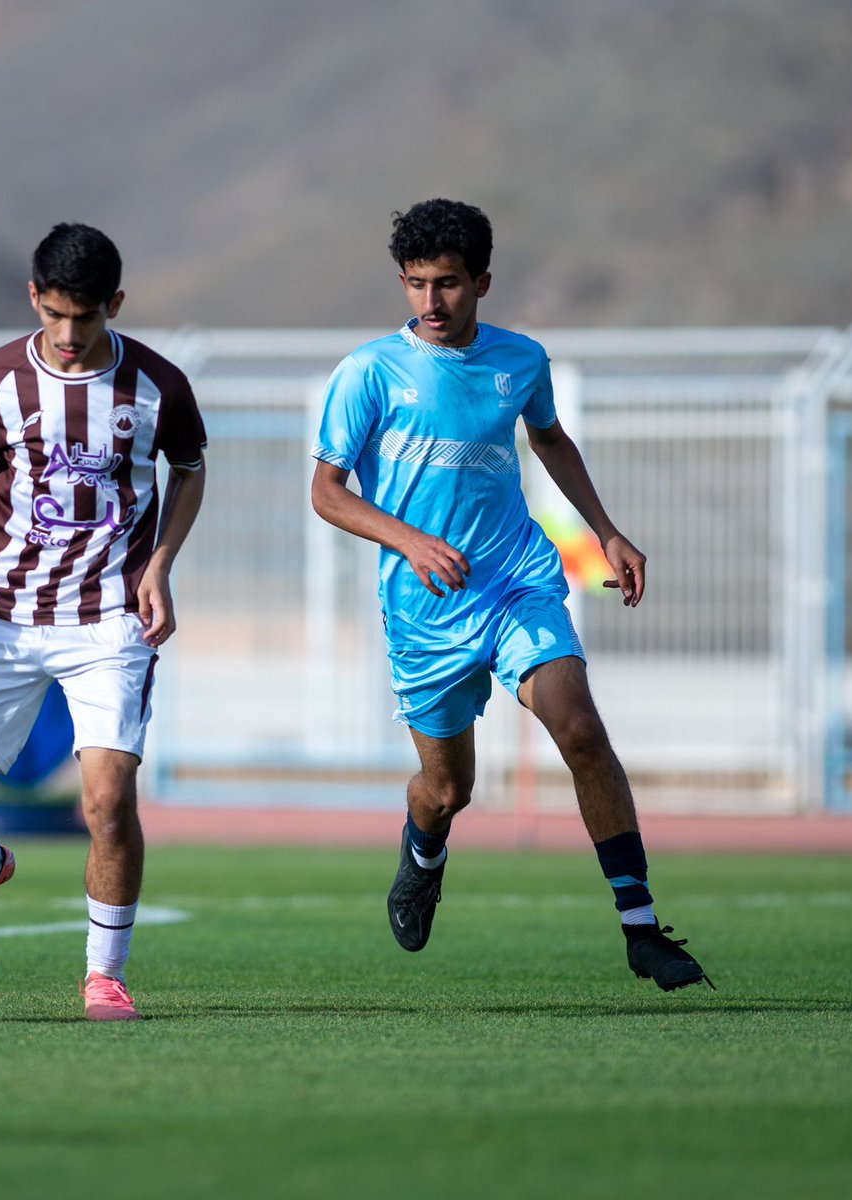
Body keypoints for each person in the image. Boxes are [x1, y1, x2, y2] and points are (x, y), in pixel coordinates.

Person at [310, 199, 711, 991]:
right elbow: (327, 491)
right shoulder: (368, 372)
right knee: (448, 788)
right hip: (423, 609)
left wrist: (606, 530)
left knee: (581, 729)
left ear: (483, 282)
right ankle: (423, 854)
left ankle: (640, 927)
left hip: (515, 580)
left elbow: (549, 437)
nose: (432, 302)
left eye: (449, 284)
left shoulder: (521, 360)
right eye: (418, 284)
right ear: (402, 283)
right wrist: (409, 539)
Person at [0, 222, 207, 1020]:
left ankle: (104, 975)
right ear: (34, 298)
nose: (68, 335)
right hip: (6, 617)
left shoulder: (157, 386)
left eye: (86, 317)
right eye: (55, 314)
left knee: (107, 802)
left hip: (110, 623)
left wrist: (160, 564)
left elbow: (191, 472)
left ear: (115, 305)